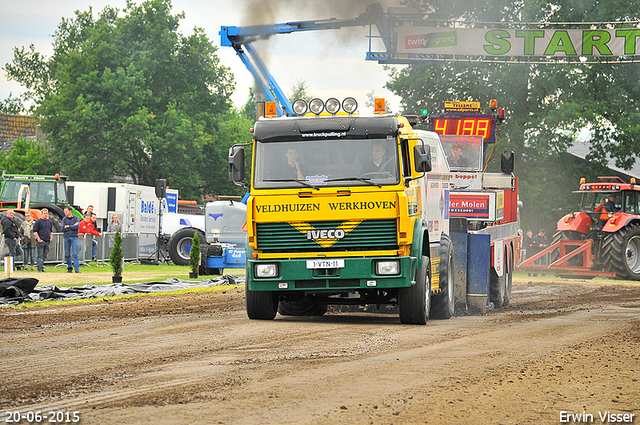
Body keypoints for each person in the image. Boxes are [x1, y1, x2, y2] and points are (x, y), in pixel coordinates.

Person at [33, 208, 53, 272]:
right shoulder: (38, 221)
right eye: (44, 213)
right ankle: (39, 268)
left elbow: (51, 231)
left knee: (44, 255)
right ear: (41, 214)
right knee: (40, 256)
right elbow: (35, 231)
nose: (46, 215)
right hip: (41, 241)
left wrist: (51, 238)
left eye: (46, 213)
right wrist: (38, 239)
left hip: (47, 241)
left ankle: (42, 267)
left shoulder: (49, 222)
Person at [62, 206, 80, 273]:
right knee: (67, 254)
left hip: (73, 237)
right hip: (66, 237)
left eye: (66, 211)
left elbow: (77, 226)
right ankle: (69, 267)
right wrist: (72, 226)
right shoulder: (64, 219)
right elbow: (63, 228)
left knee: (75, 253)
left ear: (70, 211)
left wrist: (68, 226)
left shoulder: (76, 218)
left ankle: (77, 269)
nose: (65, 213)